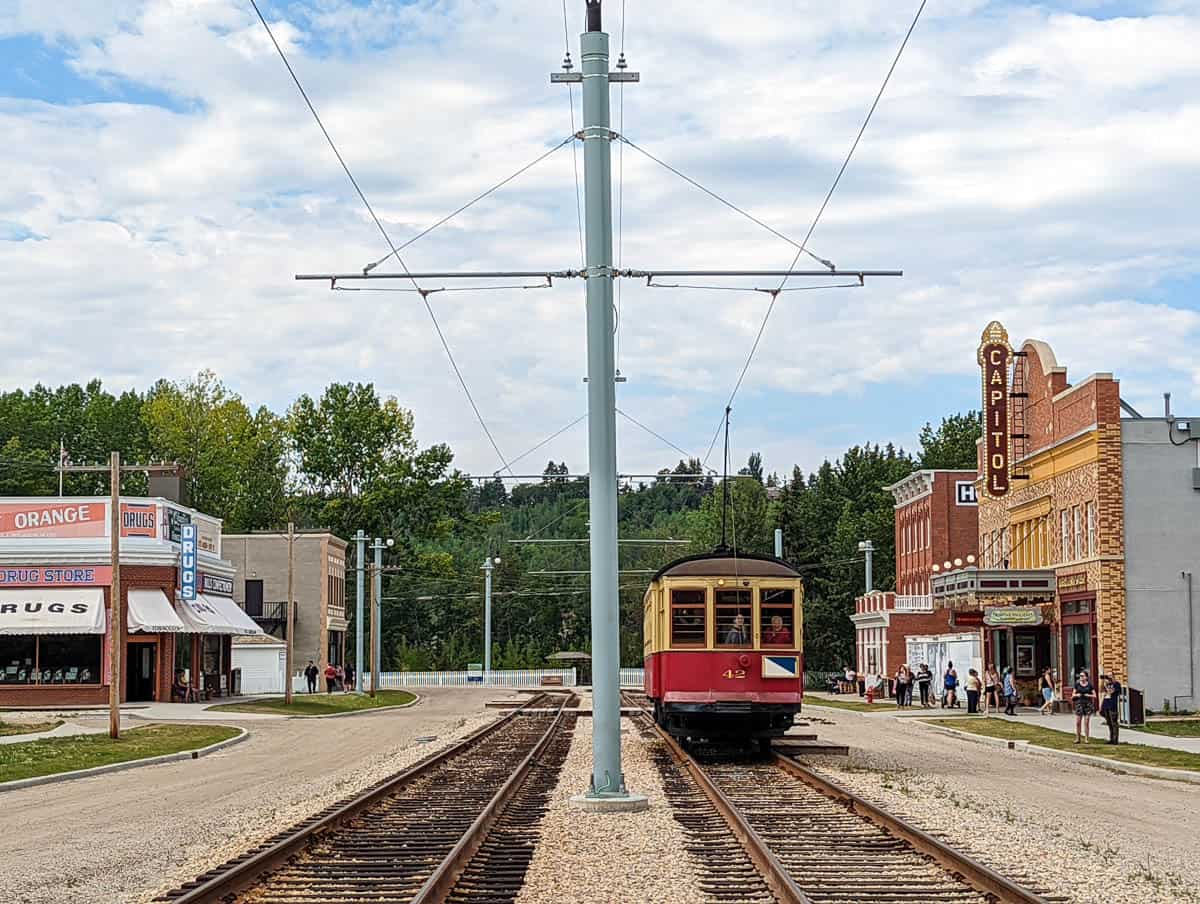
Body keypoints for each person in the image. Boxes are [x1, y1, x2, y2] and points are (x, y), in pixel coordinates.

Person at [1072, 669, 1097, 743]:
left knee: (1086, 722)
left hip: (1087, 704)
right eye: (1080, 676)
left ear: (1086, 677)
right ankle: (1078, 738)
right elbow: (1073, 695)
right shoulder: (1077, 684)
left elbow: (1095, 695)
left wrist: (1088, 695)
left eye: (1082, 676)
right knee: (1078, 722)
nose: (1081, 677)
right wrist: (1077, 695)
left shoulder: (1089, 685)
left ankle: (1086, 738)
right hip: (1079, 703)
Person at [1099, 673, 1122, 744]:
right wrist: (1102, 680)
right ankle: (1111, 738)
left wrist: (1110, 683)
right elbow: (1101, 690)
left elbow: (1111, 691)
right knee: (1109, 722)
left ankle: (1115, 739)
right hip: (1106, 704)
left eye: (1110, 676)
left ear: (1113, 676)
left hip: (1112, 705)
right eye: (1107, 676)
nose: (1108, 678)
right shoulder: (1107, 684)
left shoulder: (1116, 684)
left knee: (1114, 722)